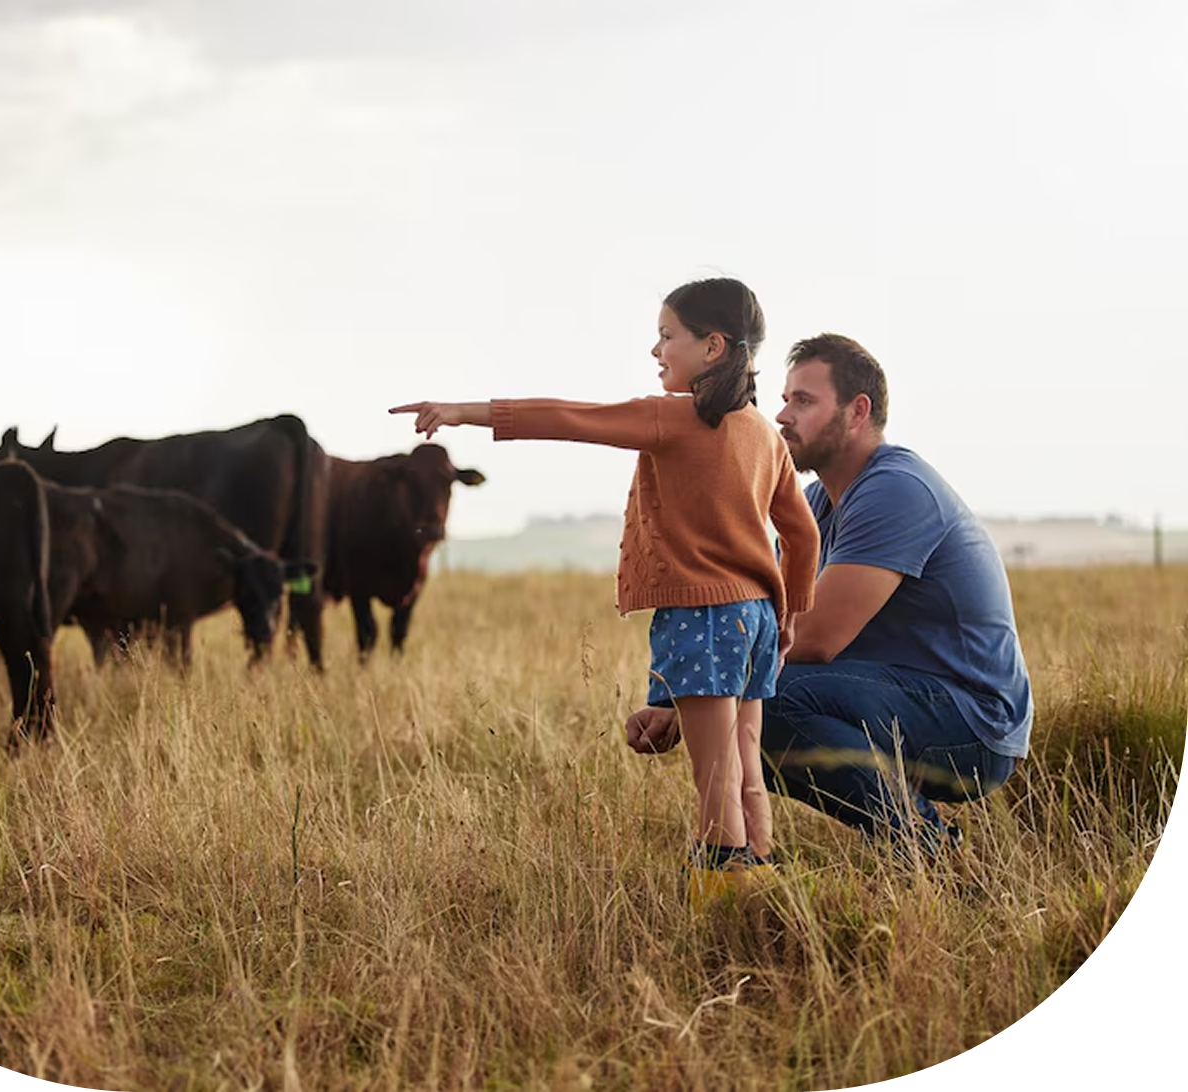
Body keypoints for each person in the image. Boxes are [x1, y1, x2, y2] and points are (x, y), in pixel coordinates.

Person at [390, 277, 821, 906]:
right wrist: (789, 616)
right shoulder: (763, 434)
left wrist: (463, 412)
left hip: (702, 614)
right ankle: (764, 884)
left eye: (667, 336)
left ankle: (717, 897)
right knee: (745, 762)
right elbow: (802, 534)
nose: (656, 350)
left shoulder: (674, 417)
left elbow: (569, 418)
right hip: (755, 616)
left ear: (712, 347)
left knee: (713, 778)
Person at [623, 333, 1032, 859]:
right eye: (786, 398)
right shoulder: (817, 503)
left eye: (804, 401)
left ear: (857, 411)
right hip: (902, 700)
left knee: (761, 705)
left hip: (974, 727)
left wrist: (693, 698)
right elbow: (753, 613)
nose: (782, 416)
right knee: (744, 709)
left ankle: (933, 855)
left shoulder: (897, 490)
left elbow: (814, 639)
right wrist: (676, 698)